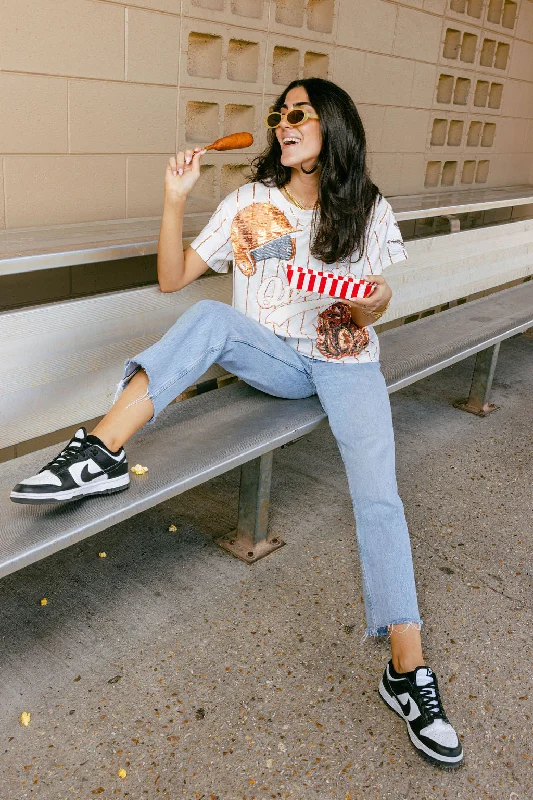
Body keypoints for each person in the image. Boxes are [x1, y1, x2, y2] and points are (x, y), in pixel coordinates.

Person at [11, 78, 463, 769]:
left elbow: (381, 291)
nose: (285, 125)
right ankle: (100, 454)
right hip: (276, 360)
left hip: (345, 361)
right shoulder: (248, 204)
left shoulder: (366, 208)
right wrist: (173, 198)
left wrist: (373, 304)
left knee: (378, 494)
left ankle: (406, 671)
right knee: (209, 316)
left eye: (301, 115)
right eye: (280, 116)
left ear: (332, 128)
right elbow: (173, 279)